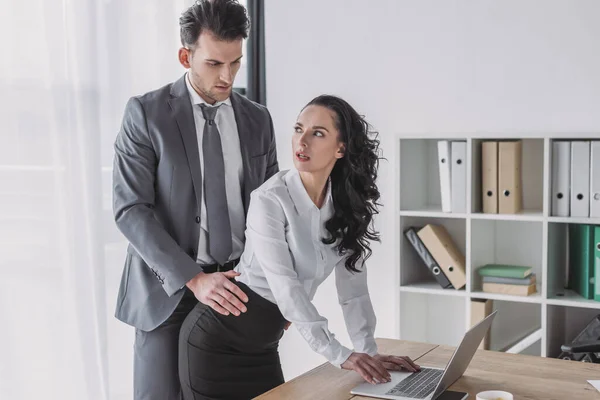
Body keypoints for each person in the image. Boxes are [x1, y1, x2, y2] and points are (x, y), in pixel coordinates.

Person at [179, 95, 421, 399]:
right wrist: (340, 354)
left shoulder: (345, 208)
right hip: (214, 344)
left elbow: (354, 293)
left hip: (263, 348)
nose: (301, 141)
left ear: (341, 147)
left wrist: (367, 353)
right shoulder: (269, 200)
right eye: (298, 129)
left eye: (317, 133)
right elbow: (286, 288)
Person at [112, 1, 278, 399]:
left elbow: (274, 212)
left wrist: (279, 290)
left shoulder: (258, 120)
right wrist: (194, 278)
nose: (227, 76)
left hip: (240, 288)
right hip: (166, 292)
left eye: (236, 62)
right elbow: (130, 209)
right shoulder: (146, 114)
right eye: (214, 64)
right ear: (186, 56)